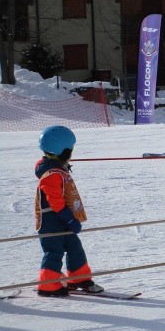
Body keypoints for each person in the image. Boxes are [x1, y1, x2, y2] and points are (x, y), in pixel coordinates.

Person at [34, 126, 103, 297]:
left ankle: (78, 278)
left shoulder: (57, 169)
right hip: (51, 223)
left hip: (62, 220)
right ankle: (48, 286)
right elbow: (55, 201)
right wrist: (70, 220)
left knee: (75, 248)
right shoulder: (51, 174)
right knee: (54, 252)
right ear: (64, 151)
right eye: (70, 150)